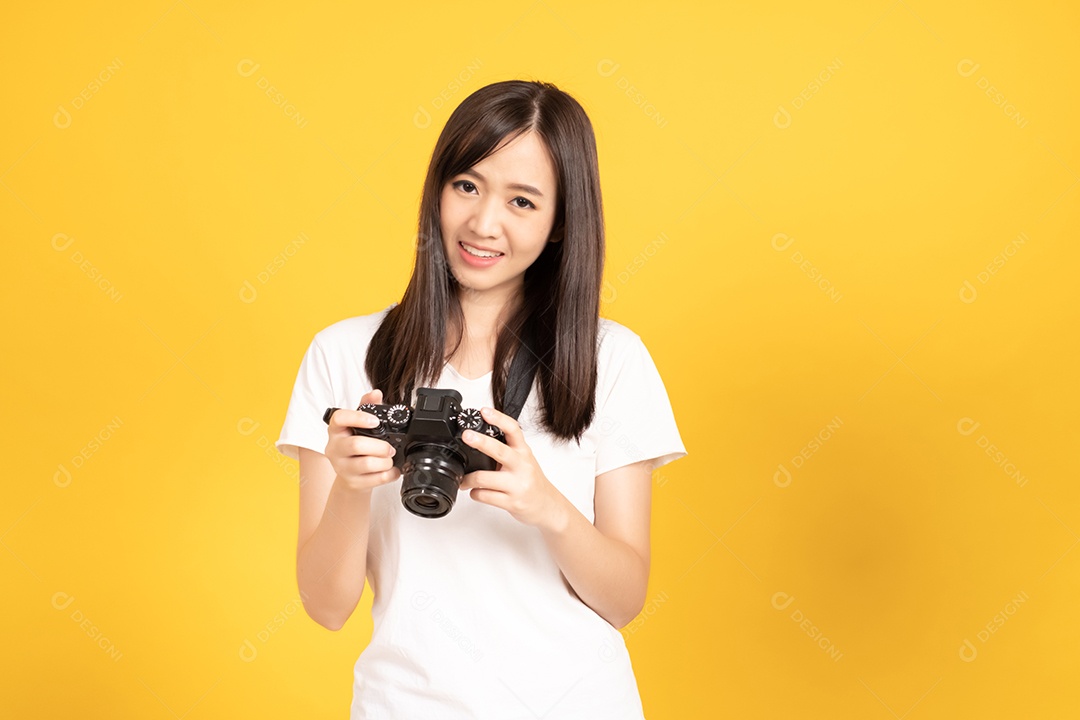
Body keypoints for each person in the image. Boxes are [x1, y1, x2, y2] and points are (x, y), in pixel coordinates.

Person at [275, 79, 686, 719]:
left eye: (522, 201)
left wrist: (548, 506)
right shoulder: (343, 354)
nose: (482, 223)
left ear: (559, 224)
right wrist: (352, 488)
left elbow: (624, 598)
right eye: (467, 185)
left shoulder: (613, 359)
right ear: (437, 188)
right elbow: (326, 607)